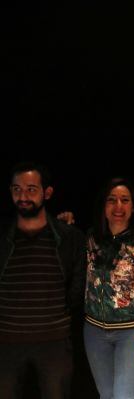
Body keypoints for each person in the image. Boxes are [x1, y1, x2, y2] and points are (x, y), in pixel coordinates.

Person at [0, 162, 86, 399]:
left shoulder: (68, 238)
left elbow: (77, 284)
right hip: (6, 343)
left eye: (31, 189)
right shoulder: (3, 238)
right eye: (17, 189)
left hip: (54, 342)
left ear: (47, 193)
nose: (23, 196)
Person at [83, 178, 134, 399]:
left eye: (124, 200)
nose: (118, 206)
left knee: (125, 396)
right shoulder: (92, 238)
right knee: (106, 395)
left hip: (131, 332)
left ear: (133, 206)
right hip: (94, 331)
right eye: (112, 200)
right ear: (103, 205)